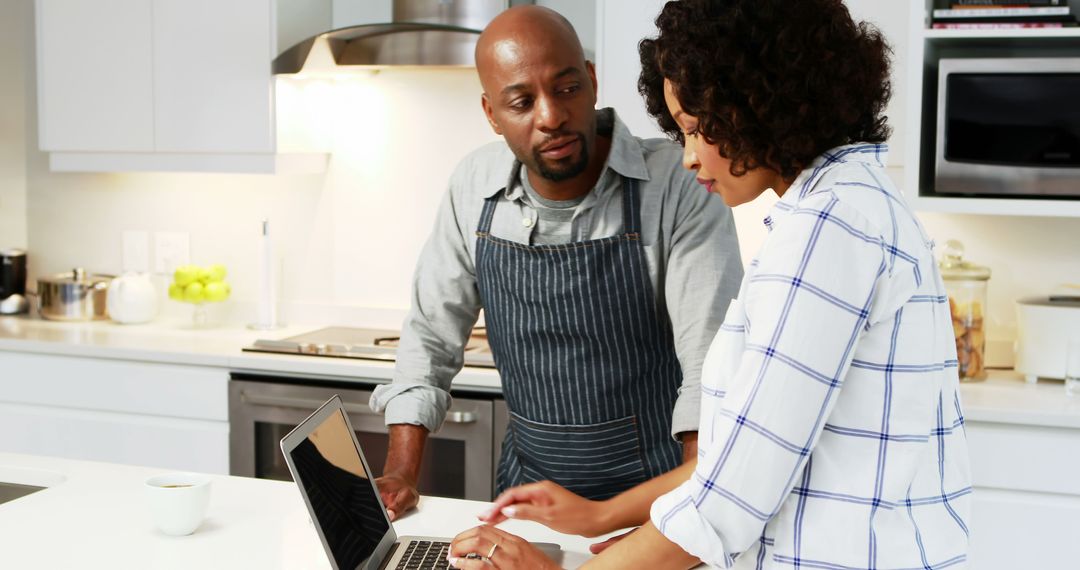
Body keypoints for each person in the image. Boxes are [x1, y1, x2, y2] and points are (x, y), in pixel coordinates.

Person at [447, 1, 972, 568]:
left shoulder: (828, 230)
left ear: (761, 104)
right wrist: (602, 516)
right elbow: (740, 456)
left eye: (698, 130)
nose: (690, 157)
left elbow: (730, 501)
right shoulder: (850, 205)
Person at [368, 4, 744, 522]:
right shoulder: (473, 188)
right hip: (525, 505)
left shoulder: (679, 183)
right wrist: (401, 474)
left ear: (591, 81)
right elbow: (429, 338)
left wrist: (683, 528)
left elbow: (711, 369)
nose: (550, 116)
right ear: (491, 114)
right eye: (521, 102)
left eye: (566, 88)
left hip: (656, 505)